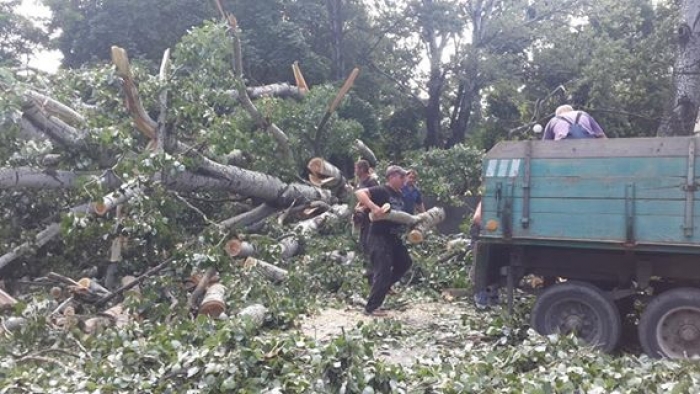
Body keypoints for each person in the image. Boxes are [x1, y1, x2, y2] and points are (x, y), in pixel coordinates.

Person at [355, 165, 413, 317]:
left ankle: (382, 284)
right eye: (402, 177)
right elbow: (360, 193)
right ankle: (371, 308)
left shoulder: (400, 195)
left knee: (405, 262)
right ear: (392, 176)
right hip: (378, 236)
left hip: (393, 237)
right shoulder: (382, 190)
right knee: (384, 270)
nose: (404, 181)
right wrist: (373, 207)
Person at [352, 160, 380, 284]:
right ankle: (369, 273)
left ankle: (374, 274)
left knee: (370, 245)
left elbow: (374, 200)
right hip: (361, 219)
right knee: (363, 244)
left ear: (362, 169)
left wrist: (363, 208)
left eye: (356, 168)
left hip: (370, 219)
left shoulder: (371, 182)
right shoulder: (360, 182)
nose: (355, 171)